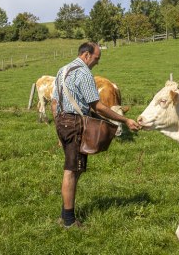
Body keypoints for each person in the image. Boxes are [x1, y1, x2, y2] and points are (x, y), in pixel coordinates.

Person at [50, 41, 140, 228]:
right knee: (72, 171)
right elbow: (97, 106)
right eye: (96, 58)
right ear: (86, 55)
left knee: (74, 168)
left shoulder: (62, 70)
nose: (97, 63)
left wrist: (59, 128)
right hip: (74, 123)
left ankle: (65, 212)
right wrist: (124, 120)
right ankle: (68, 221)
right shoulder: (84, 73)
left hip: (61, 121)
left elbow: (53, 103)